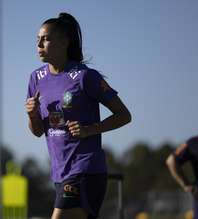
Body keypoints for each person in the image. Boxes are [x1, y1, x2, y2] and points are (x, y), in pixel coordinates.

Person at [25, 12, 132, 219]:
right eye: (37, 39)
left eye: (46, 39)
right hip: (59, 174)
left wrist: (89, 129)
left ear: (65, 42)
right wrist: (31, 115)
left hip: (86, 170)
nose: (39, 44)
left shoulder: (85, 77)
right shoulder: (35, 78)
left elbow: (124, 115)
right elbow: (38, 132)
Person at [166, 136, 198, 219]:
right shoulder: (194, 142)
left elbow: (171, 161)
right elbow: (171, 161)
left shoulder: (194, 142)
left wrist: (186, 185)